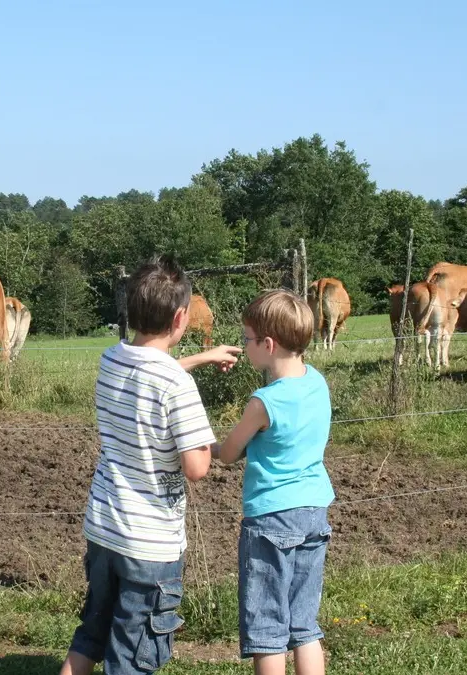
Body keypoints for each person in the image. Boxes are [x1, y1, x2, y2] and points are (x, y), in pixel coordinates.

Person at [59, 254, 241, 675]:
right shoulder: (177, 385)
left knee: (92, 633)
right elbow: (195, 466)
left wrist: (201, 357)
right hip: (149, 544)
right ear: (181, 318)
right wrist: (215, 445)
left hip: (104, 529)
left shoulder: (111, 359)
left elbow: (148, 374)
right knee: (131, 656)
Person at [212, 289, 336, 675]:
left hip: (271, 519)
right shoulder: (317, 382)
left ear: (268, 344)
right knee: (304, 625)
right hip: (314, 512)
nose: (244, 346)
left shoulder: (263, 402)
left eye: (247, 339)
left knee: (267, 626)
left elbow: (230, 452)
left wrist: (204, 444)